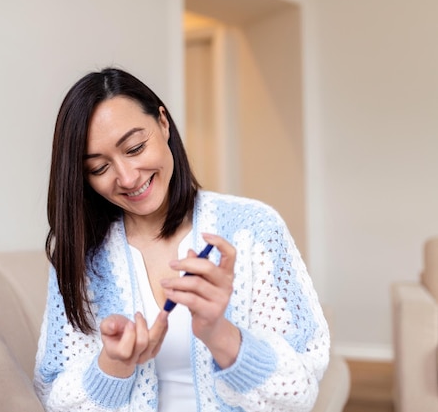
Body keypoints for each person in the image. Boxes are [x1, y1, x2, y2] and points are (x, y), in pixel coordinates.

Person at [34, 67, 330, 412]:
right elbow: (53, 397)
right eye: (99, 168)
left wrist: (219, 333)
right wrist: (114, 366)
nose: (128, 178)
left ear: (163, 122)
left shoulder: (253, 229)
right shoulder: (82, 258)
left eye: (135, 147)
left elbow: (300, 390)